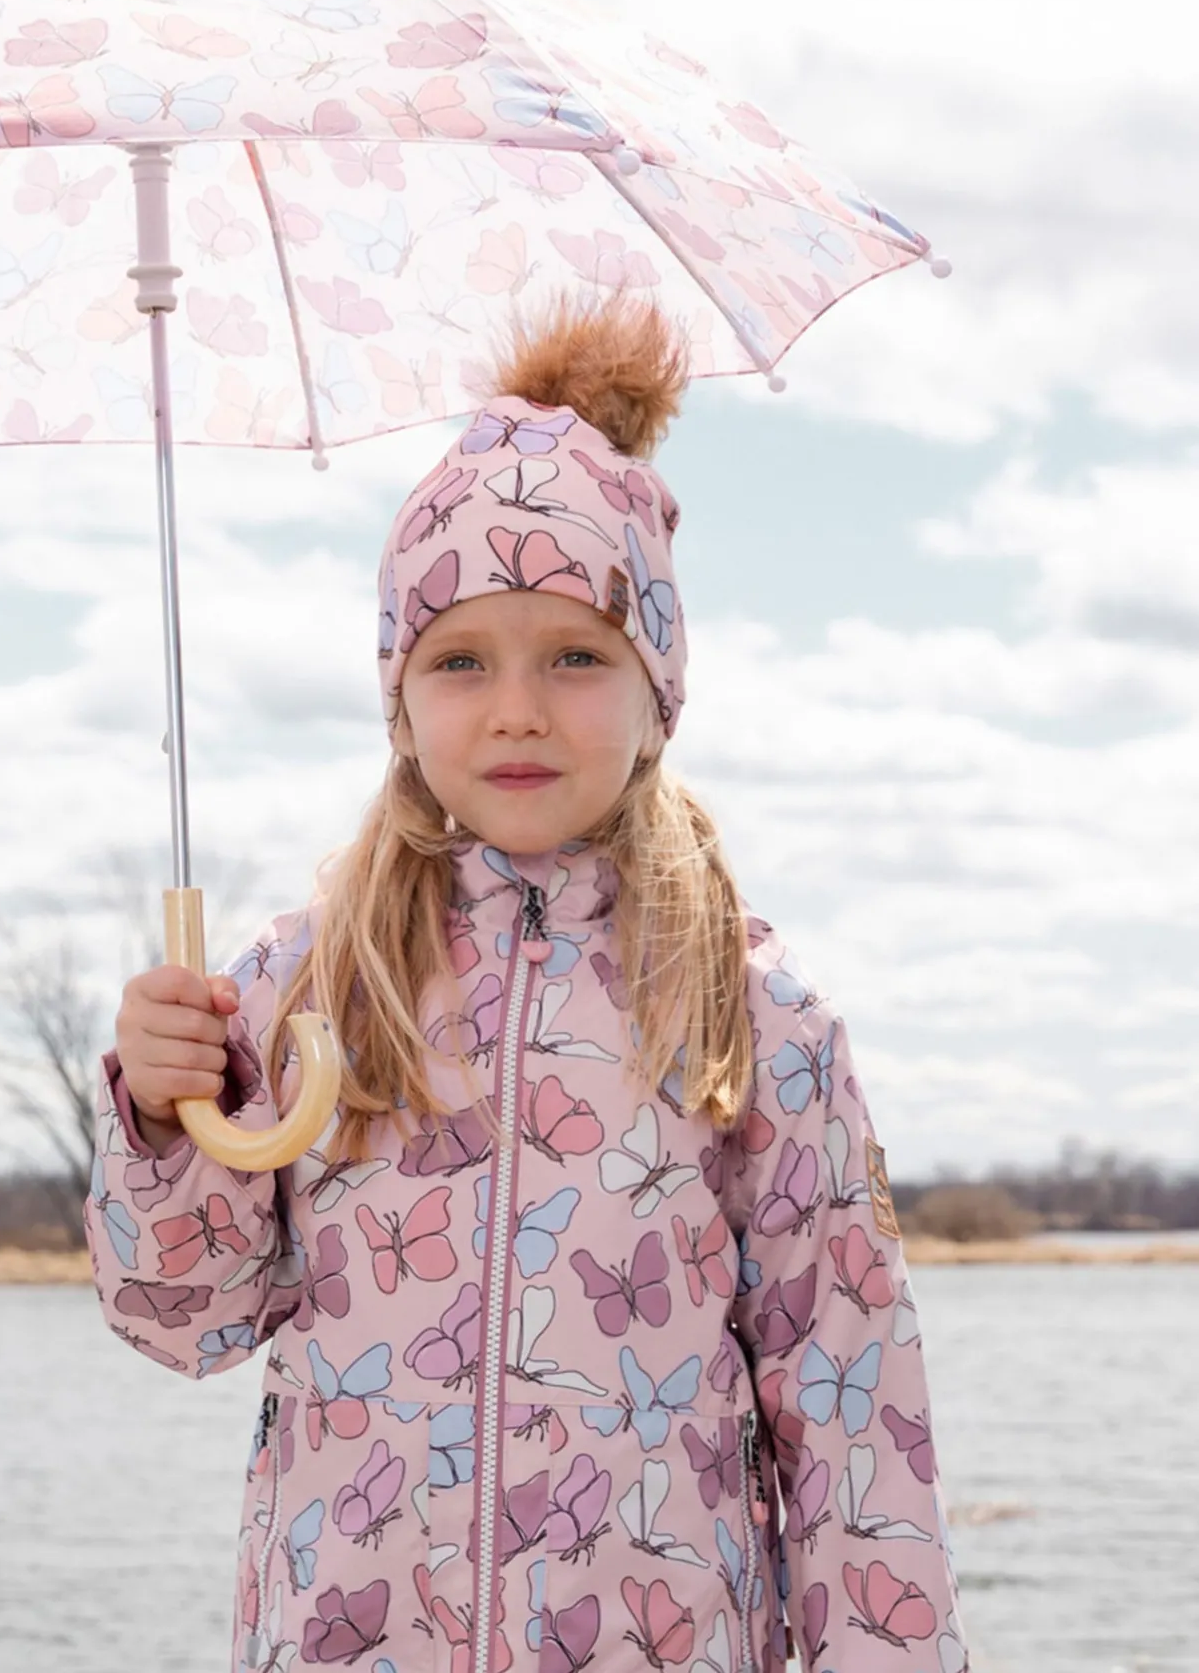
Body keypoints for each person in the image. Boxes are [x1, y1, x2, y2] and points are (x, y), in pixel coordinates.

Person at [85, 296, 968, 1673]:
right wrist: (161, 1118)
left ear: (656, 688)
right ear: (400, 701)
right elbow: (180, 1320)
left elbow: (852, 1409)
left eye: (575, 656)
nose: (516, 709)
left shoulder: (753, 1015)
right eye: (459, 662)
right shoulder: (306, 985)